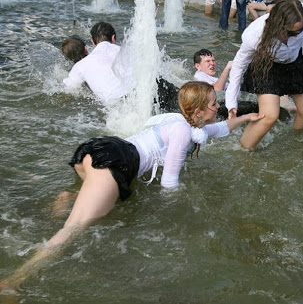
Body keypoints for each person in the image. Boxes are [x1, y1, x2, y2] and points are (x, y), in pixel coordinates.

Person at [0, 81, 264, 291]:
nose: (217, 107)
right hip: (115, 166)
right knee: (73, 229)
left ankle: (68, 198)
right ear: (198, 112)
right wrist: (182, 211)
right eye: (213, 104)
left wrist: (244, 118)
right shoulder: (184, 132)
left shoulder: (177, 120)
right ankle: (13, 282)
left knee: (87, 202)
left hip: (99, 150)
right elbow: (170, 183)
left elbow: (215, 130)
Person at [225, 0, 303, 149]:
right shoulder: (254, 35)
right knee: (269, 116)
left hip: (294, 62)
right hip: (266, 65)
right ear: (277, 26)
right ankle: (243, 152)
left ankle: (294, 144)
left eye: (299, 31)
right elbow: (239, 66)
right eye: (291, 33)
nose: (296, 35)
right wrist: (231, 103)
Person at [62, 22, 131, 104]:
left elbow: (68, 89)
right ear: (113, 38)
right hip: (137, 93)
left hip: (115, 103)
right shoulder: (128, 50)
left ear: (93, 42)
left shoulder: (81, 65)